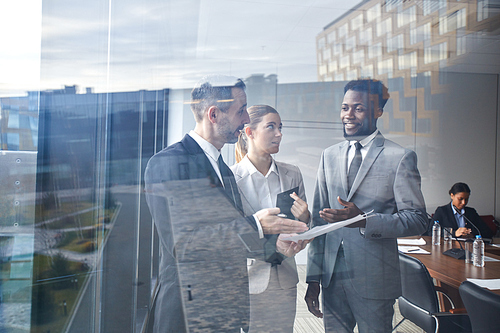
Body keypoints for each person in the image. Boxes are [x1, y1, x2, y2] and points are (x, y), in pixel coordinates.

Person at [144, 75, 308, 332]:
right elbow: (183, 245)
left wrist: (276, 246)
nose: (245, 120)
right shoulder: (169, 163)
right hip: (189, 314)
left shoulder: (223, 170)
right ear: (213, 115)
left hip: (221, 312)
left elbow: (225, 239)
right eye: (240, 110)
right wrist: (256, 224)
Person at [305, 79, 428, 333]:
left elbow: (417, 219)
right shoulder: (329, 155)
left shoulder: (400, 157)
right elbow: (318, 222)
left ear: (378, 111)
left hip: (374, 279)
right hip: (331, 278)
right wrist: (313, 278)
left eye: (358, 108)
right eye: (344, 108)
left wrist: (364, 220)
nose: (348, 115)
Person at [231, 105, 309, 332]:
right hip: (247, 278)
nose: (279, 133)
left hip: (285, 278)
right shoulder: (230, 177)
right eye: (271, 127)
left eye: (280, 127)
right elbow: (231, 234)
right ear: (250, 132)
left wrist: (305, 218)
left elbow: (304, 228)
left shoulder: (292, 173)